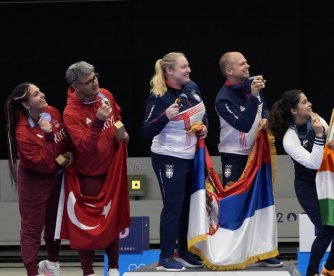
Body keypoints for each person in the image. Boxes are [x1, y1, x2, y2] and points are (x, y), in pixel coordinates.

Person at [268, 89, 334, 276]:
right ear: (294, 110)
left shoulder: (317, 120)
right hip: (308, 186)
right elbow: (313, 163)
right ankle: (311, 272)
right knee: (327, 227)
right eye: (304, 102)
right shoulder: (289, 139)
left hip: (328, 180)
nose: (310, 104)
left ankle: (330, 268)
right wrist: (320, 136)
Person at [215, 51, 283, 267]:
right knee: (234, 203)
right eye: (242, 63)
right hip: (234, 156)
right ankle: (230, 252)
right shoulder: (222, 98)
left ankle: (264, 252)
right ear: (230, 70)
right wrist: (253, 97)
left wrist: (265, 120)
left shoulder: (253, 85)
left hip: (257, 154)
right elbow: (243, 124)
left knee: (262, 202)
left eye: (246, 61)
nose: (248, 65)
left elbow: (264, 111)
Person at [143, 52, 207, 272]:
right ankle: (165, 257)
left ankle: (184, 251)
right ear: (170, 71)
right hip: (168, 157)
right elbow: (147, 129)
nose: (188, 70)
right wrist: (165, 117)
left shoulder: (192, 88)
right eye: (183, 67)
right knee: (173, 206)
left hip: (191, 156)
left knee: (188, 206)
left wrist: (204, 127)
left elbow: (201, 114)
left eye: (188, 66)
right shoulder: (159, 97)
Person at [64, 61, 129, 276]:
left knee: (113, 222)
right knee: (88, 227)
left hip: (113, 173)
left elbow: (117, 117)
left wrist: (122, 133)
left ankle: (114, 267)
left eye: (95, 77)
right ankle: (88, 271)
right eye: (88, 82)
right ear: (75, 86)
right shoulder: (70, 113)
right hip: (89, 177)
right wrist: (98, 122)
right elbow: (84, 147)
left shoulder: (105, 94)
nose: (95, 84)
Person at [5, 83, 73, 276]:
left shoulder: (52, 111)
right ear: (27, 105)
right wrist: (48, 135)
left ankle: (51, 265)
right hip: (35, 184)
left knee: (54, 225)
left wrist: (68, 153)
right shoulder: (22, 132)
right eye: (36, 94)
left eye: (40, 91)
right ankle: (32, 272)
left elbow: (65, 141)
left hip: (57, 180)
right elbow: (46, 164)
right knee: (32, 230)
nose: (42, 95)